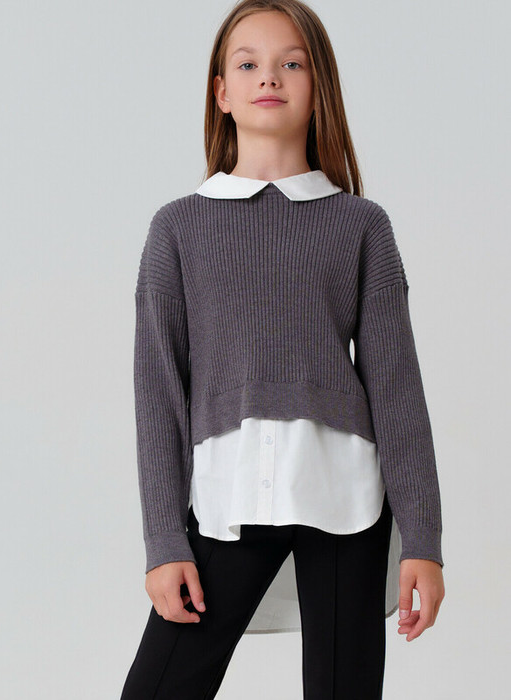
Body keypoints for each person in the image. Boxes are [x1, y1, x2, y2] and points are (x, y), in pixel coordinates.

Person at [120, 1, 445, 697]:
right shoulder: (177, 229)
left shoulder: (361, 226)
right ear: (221, 92)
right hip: (228, 498)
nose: (268, 77)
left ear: (318, 85)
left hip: (347, 501)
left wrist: (422, 539)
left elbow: (396, 389)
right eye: (248, 64)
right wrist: (163, 540)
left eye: (291, 63)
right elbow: (158, 396)